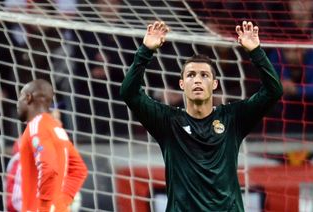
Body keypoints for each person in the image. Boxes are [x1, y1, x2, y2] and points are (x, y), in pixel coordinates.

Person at [120, 21, 283, 211]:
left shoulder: (232, 118)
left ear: (214, 84)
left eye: (204, 75)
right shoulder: (167, 121)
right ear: (182, 84)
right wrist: (146, 50)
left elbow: (273, 92)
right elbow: (129, 93)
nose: (197, 79)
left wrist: (256, 52)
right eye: (191, 75)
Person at [16, 79, 88, 211]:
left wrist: (44, 207)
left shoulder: (36, 126)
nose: (17, 103)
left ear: (28, 97)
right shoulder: (57, 128)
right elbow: (79, 170)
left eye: (20, 97)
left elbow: (48, 167)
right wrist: (61, 202)